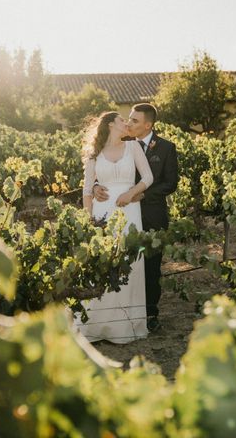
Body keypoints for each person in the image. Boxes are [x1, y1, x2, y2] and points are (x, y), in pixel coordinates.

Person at [94, 103, 178, 333]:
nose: (129, 123)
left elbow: (170, 183)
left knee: (149, 267)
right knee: (117, 259)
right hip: (120, 213)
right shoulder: (121, 145)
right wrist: (95, 186)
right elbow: (101, 170)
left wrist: (140, 194)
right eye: (128, 119)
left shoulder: (166, 148)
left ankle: (150, 314)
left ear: (148, 125)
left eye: (134, 121)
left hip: (150, 214)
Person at [77, 111, 154, 343]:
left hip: (129, 212)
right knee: (103, 262)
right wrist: (89, 221)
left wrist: (131, 193)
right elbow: (87, 191)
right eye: (123, 120)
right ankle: (98, 325)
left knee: (130, 263)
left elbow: (148, 178)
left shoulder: (133, 148)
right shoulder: (94, 154)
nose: (127, 123)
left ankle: (124, 326)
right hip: (103, 214)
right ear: (111, 125)